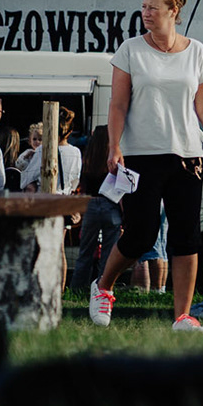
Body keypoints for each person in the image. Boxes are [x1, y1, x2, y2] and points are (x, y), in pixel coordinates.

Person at [89, 0, 203, 332]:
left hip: (187, 155)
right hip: (141, 156)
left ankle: (183, 316)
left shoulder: (196, 52)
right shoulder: (130, 50)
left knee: (186, 237)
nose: (146, 13)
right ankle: (103, 287)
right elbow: (118, 104)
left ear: (173, 11)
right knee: (141, 234)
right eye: (144, 6)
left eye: (153, 7)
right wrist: (114, 145)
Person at [70, 126, 122, 293]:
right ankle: (102, 289)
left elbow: (82, 187)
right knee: (108, 254)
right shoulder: (114, 162)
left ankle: (77, 289)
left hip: (91, 205)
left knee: (85, 252)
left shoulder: (87, 160)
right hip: (111, 205)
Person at [22, 108, 83, 193]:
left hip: (44, 197)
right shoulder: (76, 152)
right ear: (70, 131)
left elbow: (28, 179)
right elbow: (75, 181)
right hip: (65, 197)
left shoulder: (42, 150)